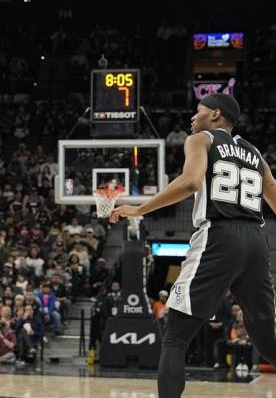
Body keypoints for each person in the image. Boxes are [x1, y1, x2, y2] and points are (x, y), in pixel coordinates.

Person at [111, 93, 276, 398]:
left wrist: (139, 208)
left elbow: (190, 182)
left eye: (198, 111)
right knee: (267, 342)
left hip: (219, 236)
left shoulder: (202, 139)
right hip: (256, 240)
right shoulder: (255, 153)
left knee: (174, 337)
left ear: (215, 115)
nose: (192, 117)